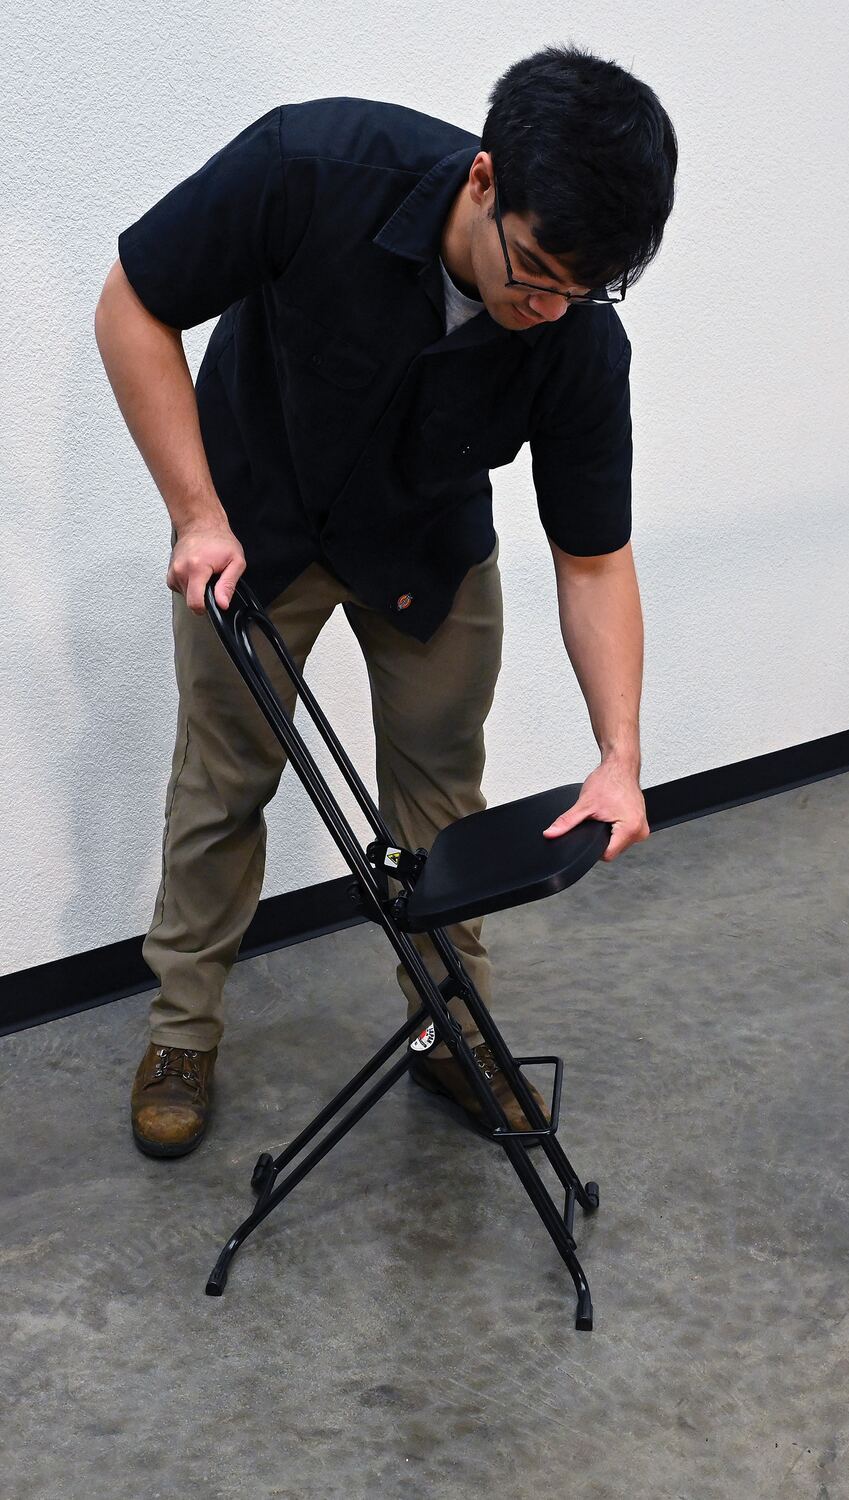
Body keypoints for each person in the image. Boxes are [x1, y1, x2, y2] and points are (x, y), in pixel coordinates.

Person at [93, 47, 677, 1158]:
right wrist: (196, 513)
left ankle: (453, 1030)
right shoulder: (313, 167)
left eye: (579, 289)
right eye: (534, 271)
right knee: (223, 786)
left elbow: (595, 559)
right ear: (484, 179)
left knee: (442, 804)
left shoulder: (576, 336)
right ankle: (181, 1034)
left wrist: (620, 753)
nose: (545, 308)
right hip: (255, 525)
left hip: (427, 547)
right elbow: (133, 305)